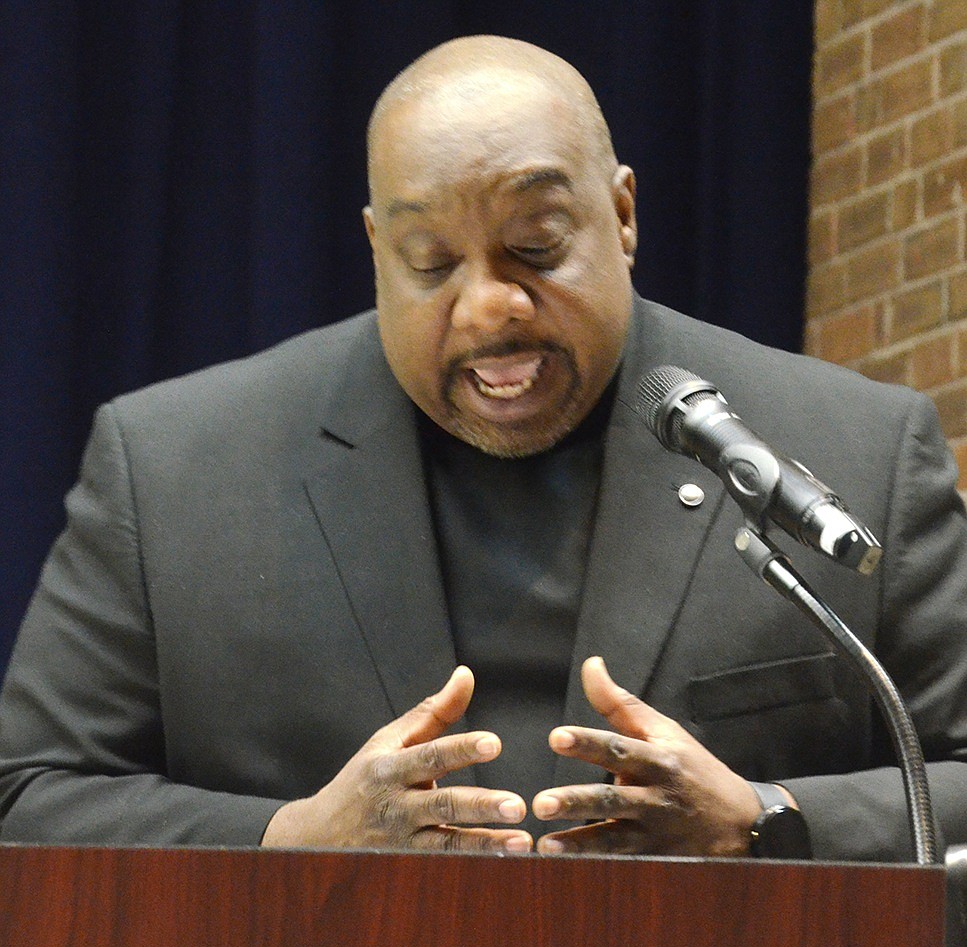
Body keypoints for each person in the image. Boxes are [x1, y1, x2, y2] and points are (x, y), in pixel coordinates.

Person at [0, 35, 965, 861]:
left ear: (621, 216)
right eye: (430, 263)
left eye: (537, 248)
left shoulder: (856, 451)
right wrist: (289, 840)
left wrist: (766, 821)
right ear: (377, 249)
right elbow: (26, 798)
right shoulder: (173, 469)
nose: (489, 306)